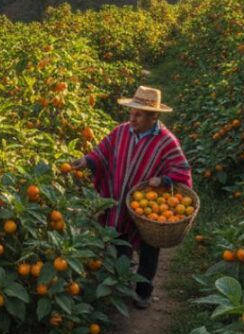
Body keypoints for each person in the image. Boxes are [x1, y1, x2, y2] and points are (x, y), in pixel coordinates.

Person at [70, 85, 191, 309]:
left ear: (154, 117)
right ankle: (121, 285)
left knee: (149, 251)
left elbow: (181, 170)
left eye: (139, 115)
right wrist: (87, 161)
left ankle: (143, 292)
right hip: (119, 201)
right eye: (131, 113)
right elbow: (103, 152)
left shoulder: (166, 141)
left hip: (147, 211)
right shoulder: (121, 132)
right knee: (120, 244)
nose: (132, 119)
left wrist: (163, 180)